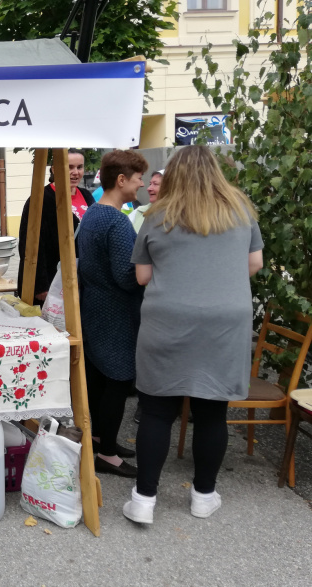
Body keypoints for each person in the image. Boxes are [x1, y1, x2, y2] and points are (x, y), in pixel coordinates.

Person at [123, 145, 264, 525]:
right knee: (211, 411)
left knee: (156, 411)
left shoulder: (156, 215)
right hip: (224, 323)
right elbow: (254, 264)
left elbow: (142, 276)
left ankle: (144, 500)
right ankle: (203, 495)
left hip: (168, 320)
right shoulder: (240, 210)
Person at [77, 150, 148, 479]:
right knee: (117, 381)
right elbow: (126, 275)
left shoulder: (92, 213)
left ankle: (99, 440)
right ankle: (106, 454)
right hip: (115, 312)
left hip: (93, 306)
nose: (142, 184)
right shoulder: (117, 221)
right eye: (137, 179)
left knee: (99, 379)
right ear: (121, 180)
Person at [17, 149, 94, 304]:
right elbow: (30, 245)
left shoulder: (86, 196)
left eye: (79, 167)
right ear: (54, 169)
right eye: (69, 167)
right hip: (52, 282)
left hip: (82, 281)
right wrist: (40, 287)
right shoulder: (40, 199)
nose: (75, 172)